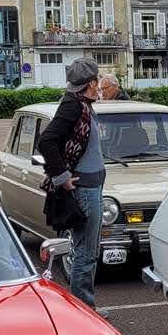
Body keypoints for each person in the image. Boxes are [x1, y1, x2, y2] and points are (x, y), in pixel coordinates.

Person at [36, 58, 105, 306]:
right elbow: (46, 141)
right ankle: (84, 308)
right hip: (84, 189)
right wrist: (62, 176)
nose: (99, 85)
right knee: (85, 253)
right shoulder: (73, 106)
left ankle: (85, 306)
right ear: (90, 83)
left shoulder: (82, 105)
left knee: (88, 251)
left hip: (92, 186)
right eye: (97, 80)